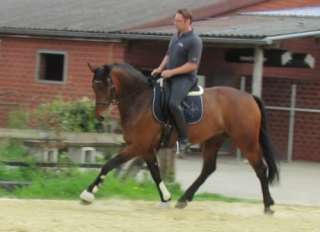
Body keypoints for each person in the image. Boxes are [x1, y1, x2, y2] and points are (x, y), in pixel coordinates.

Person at [151, 8, 203, 153]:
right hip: (169, 75)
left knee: (173, 103)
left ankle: (185, 139)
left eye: (178, 21)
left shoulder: (195, 41)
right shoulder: (175, 37)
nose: (175, 23)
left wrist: (171, 72)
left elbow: (192, 65)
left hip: (185, 78)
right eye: (175, 20)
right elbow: (168, 55)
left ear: (188, 21)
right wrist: (160, 68)